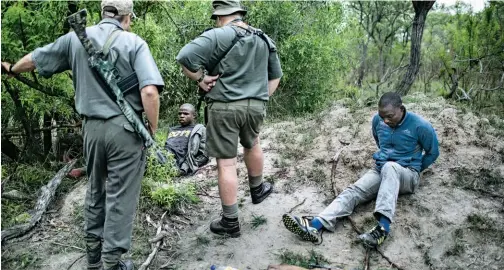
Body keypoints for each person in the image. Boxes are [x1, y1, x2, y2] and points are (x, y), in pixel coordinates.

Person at [2, 0, 165, 270]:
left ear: (103, 13)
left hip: (90, 129)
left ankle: (92, 252)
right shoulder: (134, 42)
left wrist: (12, 68)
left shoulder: (76, 39)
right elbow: (150, 91)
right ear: (127, 17)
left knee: (95, 187)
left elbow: (36, 59)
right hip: (125, 129)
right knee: (120, 194)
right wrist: (151, 129)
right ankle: (112, 267)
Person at [175, 0, 283, 237]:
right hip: (255, 106)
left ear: (219, 16)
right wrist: (259, 97)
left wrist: (201, 79)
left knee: (226, 162)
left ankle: (231, 222)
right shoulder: (263, 38)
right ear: (239, 13)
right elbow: (275, 76)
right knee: (253, 143)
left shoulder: (217, 35)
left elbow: (184, 56)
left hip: (224, 107)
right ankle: (258, 190)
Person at [282, 92, 440, 248]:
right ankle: (315, 225)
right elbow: (380, 141)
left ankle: (383, 228)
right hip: (382, 170)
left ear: (401, 109)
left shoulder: (420, 126)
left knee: (391, 167)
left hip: (407, 174)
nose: (385, 120)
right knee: (353, 190)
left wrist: (415, 167)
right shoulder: (377, 121)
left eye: (390, 116)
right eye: (382, 116)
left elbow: (433, 153)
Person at [165, 103, 209, 175]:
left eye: (185, 114)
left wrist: (185, 167)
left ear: (194, 115)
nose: (182, 116)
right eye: (180, 114)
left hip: (182, 161)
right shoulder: (172, 129)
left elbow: (204, 155)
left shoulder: (199, 129)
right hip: (166, 158)